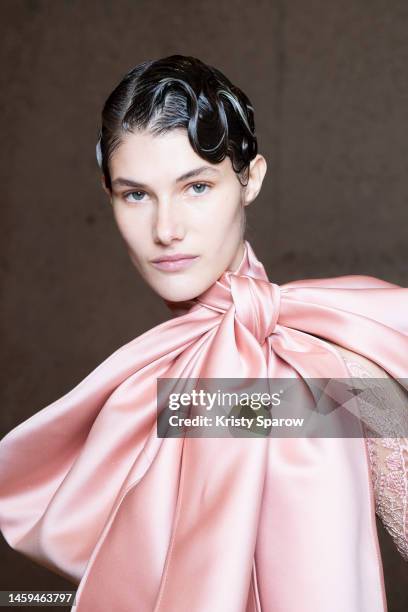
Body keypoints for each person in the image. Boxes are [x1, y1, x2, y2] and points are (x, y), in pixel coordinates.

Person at [0, 54, 407, 612]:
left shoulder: (330, 364)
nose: (166, 230)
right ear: (109, 195)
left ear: (250, 180)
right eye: (136, 194)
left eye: (196, 186)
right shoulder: (150, 383)